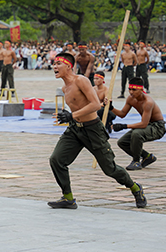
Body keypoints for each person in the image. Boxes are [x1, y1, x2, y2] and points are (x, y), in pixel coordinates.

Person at [49, 52, 146, 209]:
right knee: (56, 160)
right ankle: (68, 198)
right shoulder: (64, 87)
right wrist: (68, 117)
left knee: (110, 169)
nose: (54, 67)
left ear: (68, 66)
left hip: (92, 129)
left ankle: (135, 188)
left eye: (58, 64)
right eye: (54, 64)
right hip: (75, 130)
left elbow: (95, 104)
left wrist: (72, 115)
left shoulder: (81, 80)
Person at [109, 77, 166, 171]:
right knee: (122, 142)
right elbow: (122, 114)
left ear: (140, 89)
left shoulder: (148, 102)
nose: (131, 92)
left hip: (157, 127)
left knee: (137, 134)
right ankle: (147, 157)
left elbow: (143, 124)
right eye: (129, 89)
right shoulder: (131, 99)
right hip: (147, 125)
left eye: (134, 90)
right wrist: (111, 108)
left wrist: (124, 126)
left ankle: (136, 161)